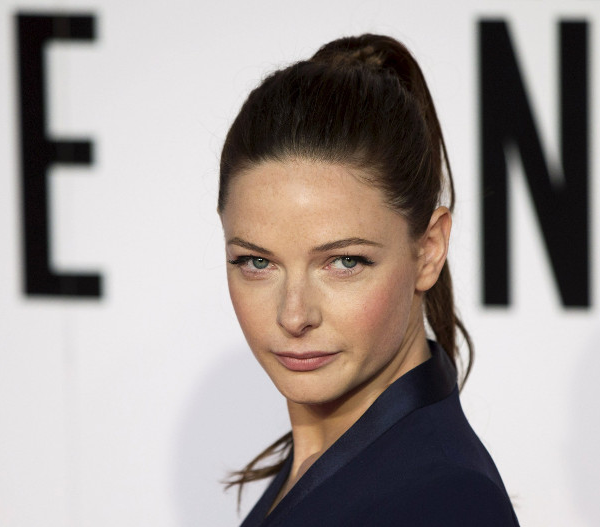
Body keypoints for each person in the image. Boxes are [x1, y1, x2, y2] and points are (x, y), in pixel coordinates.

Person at [217, 34, 519, 526]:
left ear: (429, 251)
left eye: (345, 262)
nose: (293, 315)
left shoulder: (444, 501)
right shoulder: (324, 461)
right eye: (257, 262)